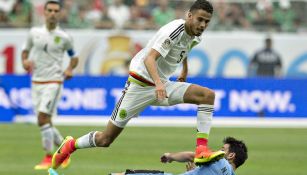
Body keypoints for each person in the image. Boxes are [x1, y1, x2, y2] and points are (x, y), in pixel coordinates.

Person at [52, 0, 224, 170]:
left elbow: (184, 49)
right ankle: (70, 145)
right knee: (106, 140)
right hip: (140, 85)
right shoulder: (173, 31)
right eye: (199, 19)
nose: (202, 25)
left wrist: (184, 70)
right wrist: (158, 84)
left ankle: (201, 150)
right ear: (189, 16)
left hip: (162, 85)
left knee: (207, 96)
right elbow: (150, 58)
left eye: (206, 21)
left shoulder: (196, 35)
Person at [21, 0, 79, 170]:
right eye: (50, 10)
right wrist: (24, 61)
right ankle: (65, 149)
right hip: (36, 81)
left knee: (42, 118)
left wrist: (69, 69)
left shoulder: (64, 37)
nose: (53, 13)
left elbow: (74, 57)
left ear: (60, 13)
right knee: (45, 121)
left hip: (54, 81)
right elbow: (25, 51)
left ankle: (48, 156)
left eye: (56, 11)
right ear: (44, 12)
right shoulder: (34, 32)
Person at [48, 137, 248, 175]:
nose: (219, 149)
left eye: (223, 148)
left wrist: (170, 156)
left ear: (230, 155)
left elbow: (191, 154)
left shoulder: (218, 158)